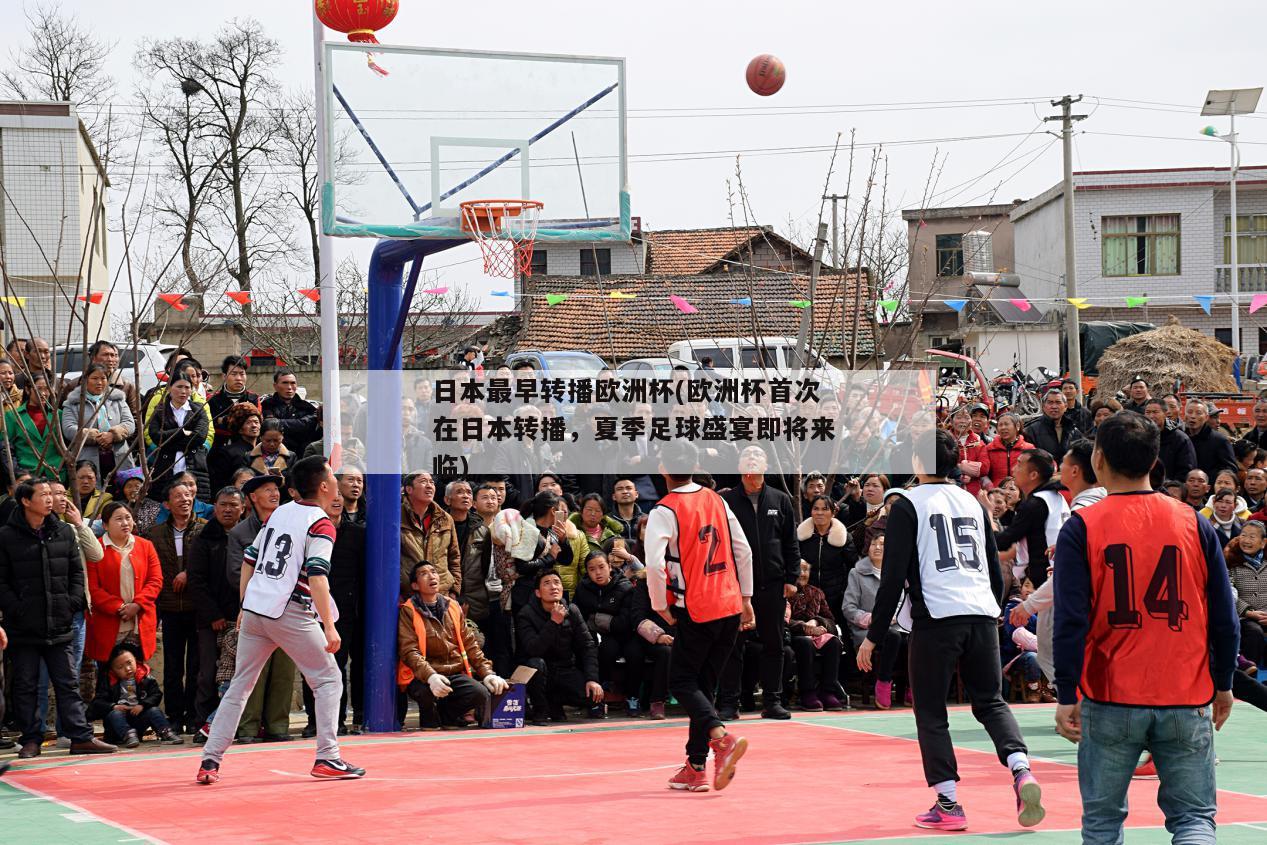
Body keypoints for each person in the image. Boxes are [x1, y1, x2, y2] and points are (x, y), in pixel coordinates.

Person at [1052, 412, 1239, 844]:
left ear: (1098, 459)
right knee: (1194, 820)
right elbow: (1223, 615)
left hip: (1111, 692)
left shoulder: (1083, 526)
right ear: (1156, 460)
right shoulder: (1194, 522)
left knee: (1102, 823)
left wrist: (1065, 693)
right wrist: (1224, 682)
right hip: (1185, 690)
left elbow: (1070, 622)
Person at [858, 429, 1043, 832]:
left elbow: (892, 578)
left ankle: (948, 803)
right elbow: (994, 567)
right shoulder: (972, 501)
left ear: (918, 463)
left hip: (937, 617)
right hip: (979, 612)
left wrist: (873, 635)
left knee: (930, 710)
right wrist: (992, 608)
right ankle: (1021, 768)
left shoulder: (908, 505)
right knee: (991, 702)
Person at [196, 456, 364, 784]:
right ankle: (327, 756)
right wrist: (329, 625)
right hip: (287, 610)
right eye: (332, 477)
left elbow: (249, 558)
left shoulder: (280, 513)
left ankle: (210, 760)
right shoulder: (321, 523)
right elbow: (317, 575)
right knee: (329, 679)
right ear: (325, 486)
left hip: (258, 607)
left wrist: (245, 604)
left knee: (240, 686)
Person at [645, 440, 754, 792]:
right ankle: (695, 765)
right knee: (703, 685)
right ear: (694, 465)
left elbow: (653, 565)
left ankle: (720, 739)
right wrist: (747, 597)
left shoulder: (665, 509)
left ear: (663, 469)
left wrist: (660, 603)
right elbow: (743, 550)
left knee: (681, 683)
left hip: (697, 605)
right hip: (729, 602)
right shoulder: (717, 499)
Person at [0, 478, 117, 758]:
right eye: (43, 495)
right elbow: (1, 582)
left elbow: (78, 572)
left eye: (51, 495)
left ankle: (80, 736)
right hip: (23, 627)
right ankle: (31, 739)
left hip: (61, 622)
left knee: (68, 682)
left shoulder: (63, 531)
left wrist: (71, 603)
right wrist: (17, 608)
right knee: (27, 684)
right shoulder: (6, 536)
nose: (50, 499)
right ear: (26, 501)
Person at [1008, 439, 1103, 686]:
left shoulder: (1082, 506)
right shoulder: (1089, 501)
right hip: (1085, 590)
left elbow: (1069, 571)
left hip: (1076, 592)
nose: (1058, 470)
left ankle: (1077, 704)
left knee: (1054, 651)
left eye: (1063, 464)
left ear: (1074, 471)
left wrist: (1029, 606)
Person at [720, 446, 799, 720]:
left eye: (757, 456)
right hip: (737, 587)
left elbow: (790, 542)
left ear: (766, 465)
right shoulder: (726, 501)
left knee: (774, 645)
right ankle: (730, 702)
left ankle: (772, 701)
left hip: (773, 585)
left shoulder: (780, 499)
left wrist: (791, 578)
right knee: (733, 645)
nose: (751, 458)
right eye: (746, 455)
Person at [226, 473, 295, 744]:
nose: (274, 494)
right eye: (267, 490)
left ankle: (278, 726)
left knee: (284, 671)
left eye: (276, 489)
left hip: (287, 607)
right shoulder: (241, 532)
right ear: (253, 498)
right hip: (256, 608)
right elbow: (235, 573)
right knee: (253, 669)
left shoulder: (291, 524)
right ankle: (247, 728)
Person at [397, 560, 507, 729]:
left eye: (433, 571)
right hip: (423, 675)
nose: (431, 576)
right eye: (424, 573)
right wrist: (431, 676)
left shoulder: (453, 607)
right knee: (424, 694)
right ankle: (430, 718)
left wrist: (487, 673)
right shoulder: (408, 610)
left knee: (480, 692)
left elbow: (470, 644)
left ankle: (447, 715)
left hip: (453, 672)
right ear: (415, 585)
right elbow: (409, 650)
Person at [147, 480, 205, 734]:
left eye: (188, 495)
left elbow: (209, 564)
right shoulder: (155, 533)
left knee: (196, 666)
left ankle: (193, 715)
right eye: (178, 496)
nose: (185, 499)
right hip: (169, 607)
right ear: (166, 504)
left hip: (197, 607)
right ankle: (174, 715)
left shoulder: (205, 528)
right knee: (172, 667)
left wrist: (188, 574)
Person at [186, 487, 245, 729]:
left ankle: (237, 724)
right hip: (211, 620)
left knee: (240, 674)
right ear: (215, 506)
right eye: (223, 504)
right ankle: (203, 722)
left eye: (233, 505)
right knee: (208, 673)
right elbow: (196, 580)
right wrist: (213, 614)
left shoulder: (250, 536)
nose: (228, 509)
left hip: (243, 617)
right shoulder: (203, 539)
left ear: (243, 508)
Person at [515, 568, 604, 723]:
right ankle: (540, 709)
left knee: (594, 699)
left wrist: (592, 679)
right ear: (538, 593)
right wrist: (553, 622)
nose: (553, 587)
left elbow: (587, 645)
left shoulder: (572, 610)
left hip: (565, 669)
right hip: (538, 672)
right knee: (536, 664)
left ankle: (554, 702)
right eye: (547, 584)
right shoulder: (526, 614)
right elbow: (533, 649)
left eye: (557, 583)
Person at [86, 501, 164, 668]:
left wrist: (137, 604)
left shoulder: (145, 546)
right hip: (108, 622)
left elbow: (155, 580)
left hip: (139, 621)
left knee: (138, 673)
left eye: (128, 518)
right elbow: (92, 588)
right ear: (105, 525)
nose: (125, 523)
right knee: (107, 675)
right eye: (119, 519)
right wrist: (119, 607)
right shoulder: (95, 549)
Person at [845, 532, 908, 708]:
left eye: (882, 544)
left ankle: (911, 688)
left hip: (895, 625)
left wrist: (892, 617)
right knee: (894, 637)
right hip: (867, 630)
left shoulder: (897, 572)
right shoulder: (856, 573)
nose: (878, 547)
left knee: (909, 640)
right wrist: (873, 619)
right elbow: (848, 608)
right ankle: (883, 682)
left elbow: (902, 601)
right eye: (874, 544)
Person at [995, 449, 1068, 588]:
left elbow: (1004, 541)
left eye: (1019, 464)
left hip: (1049, 578)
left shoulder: (1035, 504)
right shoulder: (1055, 496)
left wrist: (987, 517)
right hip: (1059, 572)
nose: (1013, 469)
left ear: (1033, 475)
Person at [575, 550, 636, 713]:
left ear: (610, 567)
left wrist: (597, 619)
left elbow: (625, 622)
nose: (598, 573)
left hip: (627, 634)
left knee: (635, 652)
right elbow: (578, 617)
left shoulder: (625, 587)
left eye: (601, 567)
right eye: (592, 569)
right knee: (602, 649)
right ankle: (597, 698)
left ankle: (633, 697)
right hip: (601, 637)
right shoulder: (582, 589)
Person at [88, 641, 183, 747]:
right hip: (117, 725)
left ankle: (166, 732)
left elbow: (156, 694)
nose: (127, 669)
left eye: (129, 663)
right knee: (115, 714)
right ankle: (128, 736)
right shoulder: (108, 681)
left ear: (136, 661)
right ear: (113, 670)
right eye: (120, 667)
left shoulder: (145, 678)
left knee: (154, 711)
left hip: (138, 718)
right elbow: (97, 702)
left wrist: (143, 705)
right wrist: (114, 706)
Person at [787, 560, 846, 711]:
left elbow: (831, 621)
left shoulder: (816, 593)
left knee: (833, 642)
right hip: (792, 634)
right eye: (799, 569)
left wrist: (816, 621)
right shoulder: (785, 591)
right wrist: (804, 627)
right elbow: (781, 620)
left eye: (806, 569)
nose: (802, 573)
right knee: (804, 643)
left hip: (816, 633)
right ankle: (807, 693)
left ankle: (827, 692)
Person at [61, 363, 136, 483]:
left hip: (119, 457)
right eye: (95, 378)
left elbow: (130, 423)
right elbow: (68, 429)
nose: (99, 382)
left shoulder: (117, 399)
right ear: (85, 381)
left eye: (103, 378)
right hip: (87, 459)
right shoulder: (73, 403)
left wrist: (113, 435)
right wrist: (93, 436)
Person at [146, 375, 212, 501]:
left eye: (187, 387)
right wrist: (182, 432)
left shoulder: (198, 410)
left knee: (195, 508)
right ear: (170, 388)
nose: (183, 391)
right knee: (164, 507)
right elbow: (156, 437)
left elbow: (199, 437)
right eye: (179, 387)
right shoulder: (160, 411)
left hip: (194, 466)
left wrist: (169, 441)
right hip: (165, 469)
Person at [797, 494, 857, 626]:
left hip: (836, 597)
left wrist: (844, 591)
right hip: (806, 595)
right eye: (816, 508)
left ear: (833, 512)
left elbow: (853, 566)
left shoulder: (843, 537)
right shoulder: (800, 536)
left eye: (825, 509)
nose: (819, 513)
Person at [399, 471, 461, 597]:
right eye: (423, 482)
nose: (429, 486)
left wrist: (454, 591)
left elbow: (454, 557)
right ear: (409, 489)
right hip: (409, 594)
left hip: (442, 594)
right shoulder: (396, 516)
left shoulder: (445, 518)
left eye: (432, 482)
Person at [5, 371, 64, 480]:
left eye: (46, 389)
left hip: (56, 474)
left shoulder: (58, 415)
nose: (43, 393)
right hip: (28, 475)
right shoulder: (12, 416)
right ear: (27, 390)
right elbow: (6, 449)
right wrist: (17, 472)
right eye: (38, 389)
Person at [1226, 519, 1267, 669]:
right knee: (1254, 633)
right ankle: (1248, 679)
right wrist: (1249, 612)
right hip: (1244, 617)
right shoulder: (1231, 562)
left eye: (1252, 536)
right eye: (1243, 535)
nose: (1246, 540)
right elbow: (1228, 594)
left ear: (1263, 543)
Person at [260, 369, 321, 456]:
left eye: (293, 383)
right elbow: (268, 427)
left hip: (303, 454)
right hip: (274, 454)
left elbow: (307, 425)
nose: (289, 387)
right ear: (275, 386)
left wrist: (278, 422)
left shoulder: (308, 407)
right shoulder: (266, 405)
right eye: (285, 383)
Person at [208, 402, 262, 495]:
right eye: (248, 422)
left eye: (256, 422)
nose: (254, 425)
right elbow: (219, 484)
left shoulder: (264, 450)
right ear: (240, 429)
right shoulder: (227, 453)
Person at [207, 356, 259, 445]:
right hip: (220, 448)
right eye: (234, 374)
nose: (238, 378)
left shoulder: (253, 398)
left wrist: (223, 420)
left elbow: (256, 423)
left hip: (248, 447)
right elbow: (212, 426)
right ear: (224, 376)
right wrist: (243, 418)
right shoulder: (213, 400)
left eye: (242, 374)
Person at [1144, 398, 1197, 482]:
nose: (1151, 416)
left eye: (1155, 412)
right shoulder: (1140, 437)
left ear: (1165, 414)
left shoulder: (1180, 439)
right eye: (1148, 412)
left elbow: (1186, 470)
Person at [1185, 399, 1237, 482]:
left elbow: (1230, 470)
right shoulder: (1181, 438)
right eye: (1190, 412)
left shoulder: (1220, 441)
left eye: (1198, 413)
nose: (1193, 416)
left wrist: (1207, 479)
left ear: (1206, 417)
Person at [1023, 389, 1079, 464]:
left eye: (1058, 402)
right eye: (1050, 402)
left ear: (1065, 407)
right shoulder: (1031, 430)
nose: (1054, 406)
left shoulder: (1073, 429)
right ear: (1043, 406)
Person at [983, 413, 1032, 489]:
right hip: (997, 493)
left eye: (1006, 424)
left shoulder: (1028, 448)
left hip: (1021, 492)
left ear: (1017, 426)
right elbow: (984, 473)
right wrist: (990, 487)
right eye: (1000, 425)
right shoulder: (989, 449)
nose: (1003, 428)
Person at [948, 408, 987, 495]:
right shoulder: (945, 440)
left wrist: (963, 466)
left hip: (973, 492)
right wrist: (960, 470)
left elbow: (985, 468)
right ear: (951, 420)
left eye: (966, 418)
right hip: (950, 490)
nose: (963, 421)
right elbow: (942, 464)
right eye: (959, 418)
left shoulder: (978, 442)